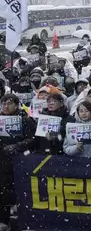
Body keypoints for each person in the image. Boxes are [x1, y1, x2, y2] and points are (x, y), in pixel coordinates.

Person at [0, 94, 37, 228]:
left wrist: (17, 146)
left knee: (20, 191)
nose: (5, 106)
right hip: (2, 162)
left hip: (19, 161)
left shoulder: (25, 120)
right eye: (3, 103)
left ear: (16, 105)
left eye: (9, 103)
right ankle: (3, 221)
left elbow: (33, 139)